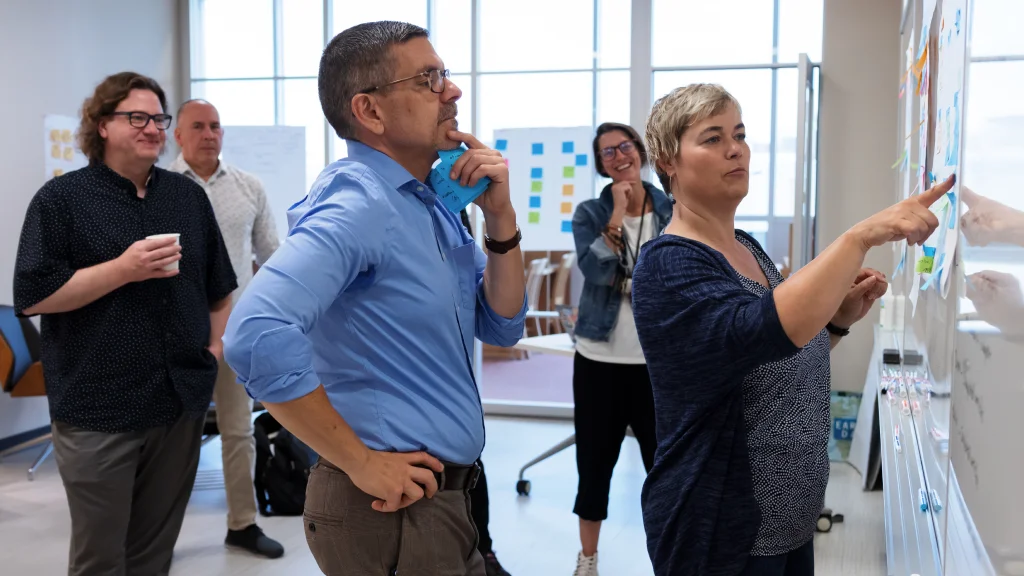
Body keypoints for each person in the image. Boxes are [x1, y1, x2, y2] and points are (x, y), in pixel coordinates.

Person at [222, 21, 527, 576]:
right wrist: (359, 462)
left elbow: (502, 324)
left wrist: (501, 222)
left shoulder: (426, 204)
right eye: (429, 79)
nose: (452, 91)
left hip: (446, 498)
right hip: (389, 509)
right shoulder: (360, 202)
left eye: (446, 75)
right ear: (370, 111)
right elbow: (255, 334)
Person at [631, 83, 953, 576]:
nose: (735, 148)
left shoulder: (745, 246)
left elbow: (772, 360)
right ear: (668, 160)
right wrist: (861, 236)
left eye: (739, 134)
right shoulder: (669, 263)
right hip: (722, 528)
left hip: (789, 522)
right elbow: (756, 331)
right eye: (712, 138)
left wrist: (837, 322)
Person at [13, 72, 237, 576]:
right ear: (101, 126)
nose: (152, 128)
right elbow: (31, 298)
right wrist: (124, 269)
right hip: (97, 406)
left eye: (158, 118)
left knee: (154, 555)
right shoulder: (61, 201)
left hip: (178, 401)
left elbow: (219, 287)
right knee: (100, 558)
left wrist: (215, 350)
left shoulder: (186, 197)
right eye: (136, 117)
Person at [169, 99, 284, 559]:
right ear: (178, 135)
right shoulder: (156, 190)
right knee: (170, 439)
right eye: (197, 126)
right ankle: (156, 535)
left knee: (238, 431)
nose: (209, 133)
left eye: (215, 125)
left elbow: (273, 256)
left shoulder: (248, 187)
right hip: (173, 333)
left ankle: (243, 523)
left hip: (234, 333)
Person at [567, 122, 670, 575]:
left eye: (624, 146)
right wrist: (617, 215)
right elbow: (595, 270)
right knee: (594, 466)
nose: (617, 156)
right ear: (600, 163)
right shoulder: (590, 212)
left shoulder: (672, 208)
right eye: (607, 152)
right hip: (599, 359)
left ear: (640, 151)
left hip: (657, 363)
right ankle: (588, 559)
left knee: (665, 470)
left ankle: (669, 557)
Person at [460, 208, 514, 576]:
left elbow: (504, 326)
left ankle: (485, 550)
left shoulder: (445, 206)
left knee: (472, 465)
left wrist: (500, 216)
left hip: (455, 395)